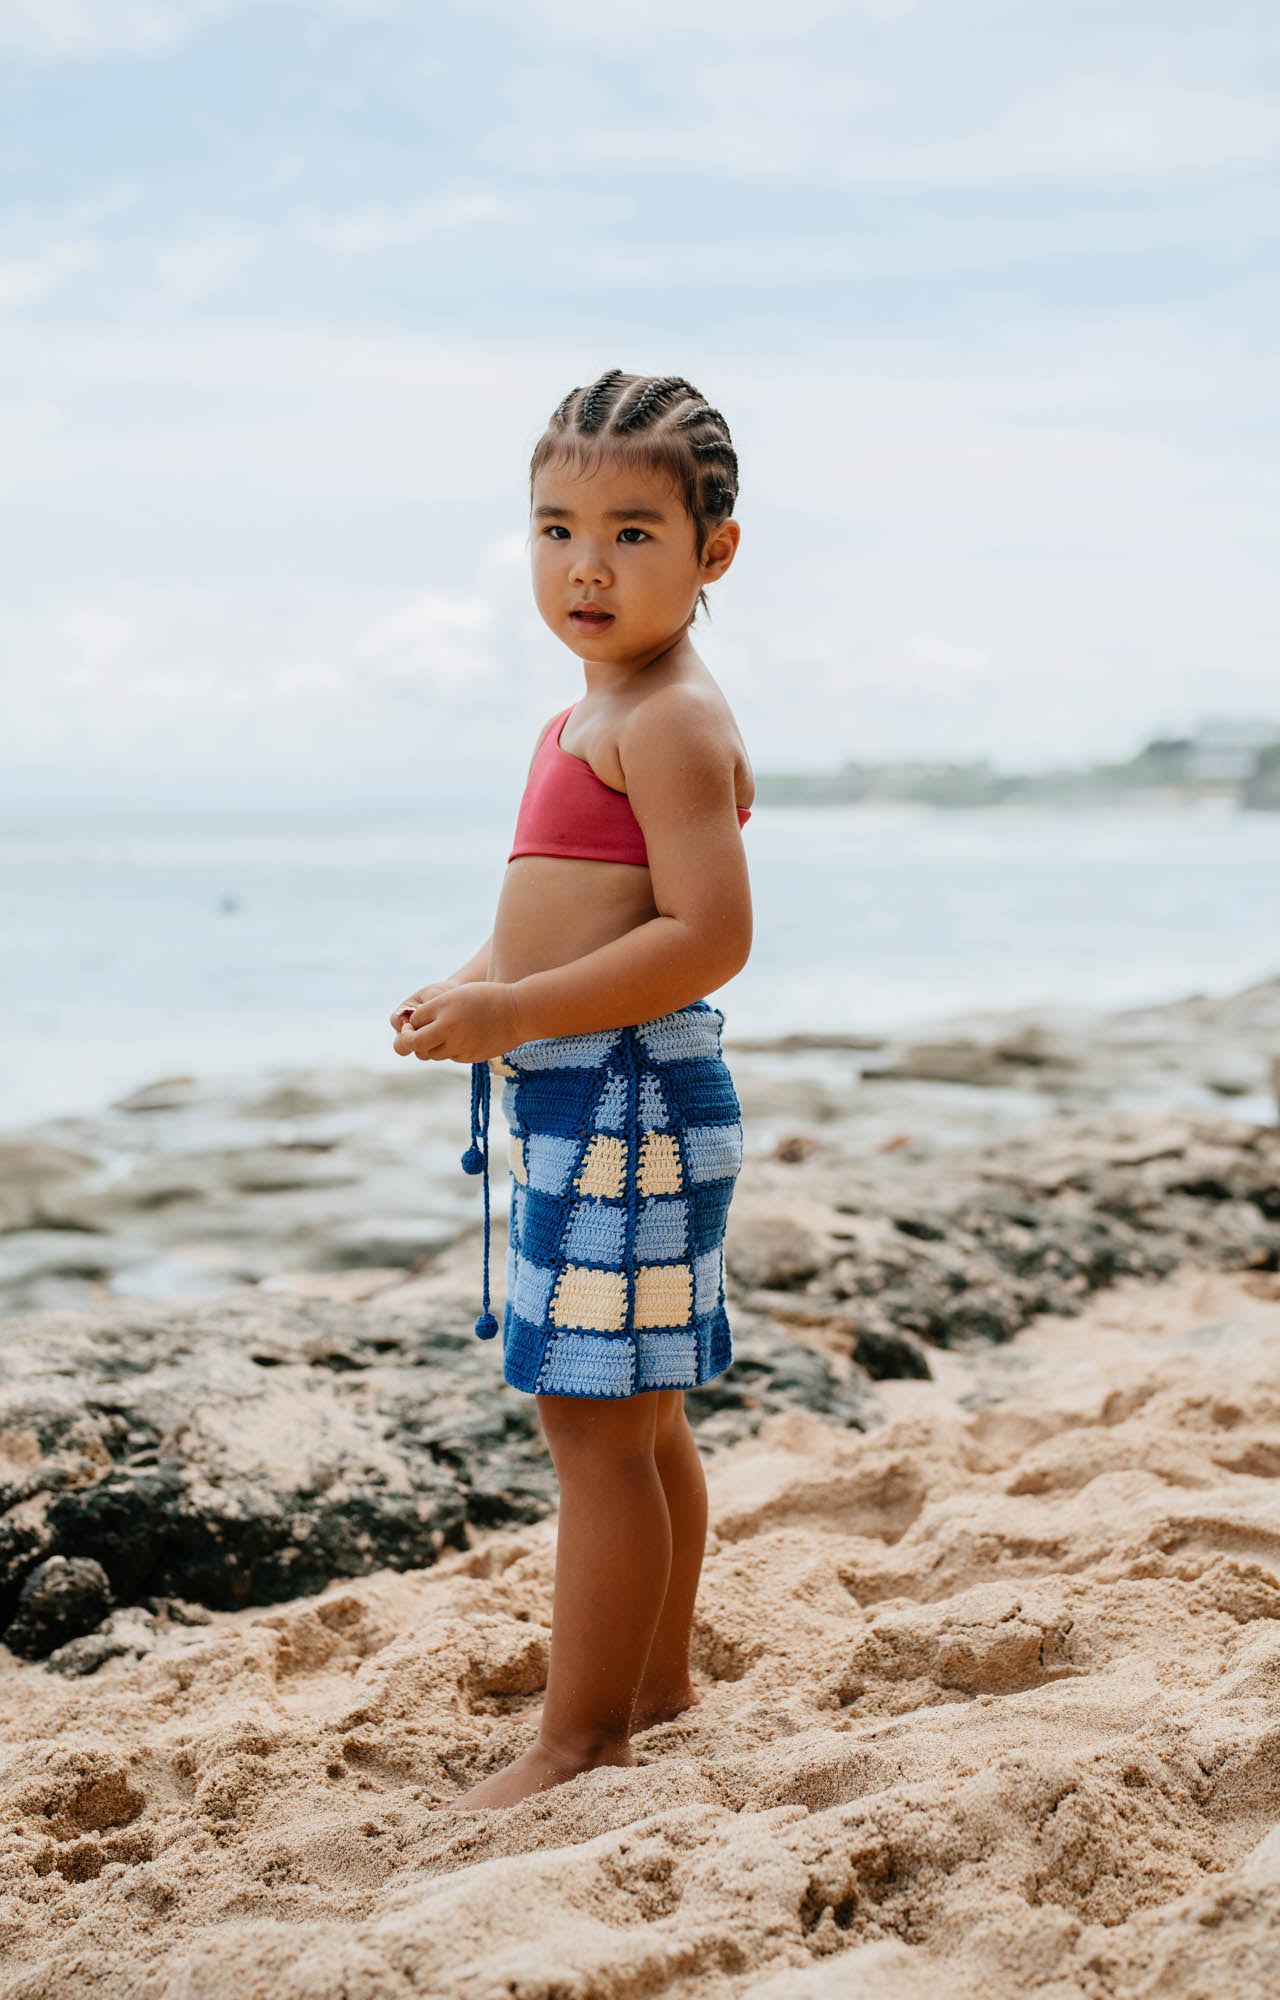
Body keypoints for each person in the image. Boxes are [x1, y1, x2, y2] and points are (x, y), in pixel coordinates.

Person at [389, 368, 754, 1811]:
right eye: (553, 528)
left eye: (631, 533)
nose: (584, 565)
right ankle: (649, 1681)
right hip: (580, 1093)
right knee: (638, 1414)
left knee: (595, 1426)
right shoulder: (584, 714)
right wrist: (477, 990)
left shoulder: (667, 715)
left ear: (712, 551)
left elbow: (706, 935)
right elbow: (572, 908)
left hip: (625, 1100)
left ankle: (581, 1734)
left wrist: (519, 1007)